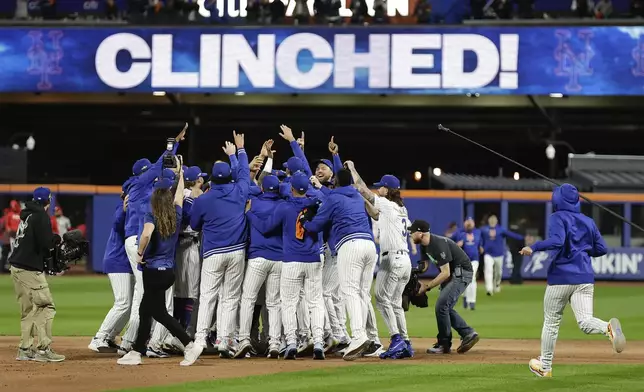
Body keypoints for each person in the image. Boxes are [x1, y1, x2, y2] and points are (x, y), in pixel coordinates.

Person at [519, 184, 626, 378]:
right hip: (585, 277)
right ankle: (607, 328)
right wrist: (583, 251)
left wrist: (534, 247)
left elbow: (558, 241)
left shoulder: (556, 217)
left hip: (561, 277)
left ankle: (546, 366)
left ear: (557, 200)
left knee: (551, 322)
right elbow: (601, 248)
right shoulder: (588, 221)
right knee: (585, 321)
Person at [117, 165, 203, 366]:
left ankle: (189, 344)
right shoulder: (176, 215)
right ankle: (137, 352)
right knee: (146, 310)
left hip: (153, 271)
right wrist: (181, 175)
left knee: (158, 312)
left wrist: (139, 254)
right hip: (168, 272)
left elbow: (146, 233)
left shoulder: (151, 214)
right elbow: (180, 197)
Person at [247, 172, 325, 360]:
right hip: (313, 259)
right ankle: (319, 342)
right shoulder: (317, 204)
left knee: (288, 303)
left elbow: (266, 228)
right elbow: (321, 201)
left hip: (291, 260)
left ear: (291, 189)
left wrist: (249, 214)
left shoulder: (284, 207)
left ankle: (290, 342)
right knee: (315, 302)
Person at [302, 169, 378, 361]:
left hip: (350, 245)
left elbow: (317, 225)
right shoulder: (357, 195)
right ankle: (368, 337)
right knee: (361, 293)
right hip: (369, 245)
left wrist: (305, 222)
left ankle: (359, 336)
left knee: (349, 292)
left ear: (335, 181)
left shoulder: (334, 198)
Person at [190, 132, 250, 357]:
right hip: (236, 252)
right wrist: (239, 152)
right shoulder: (239, 190)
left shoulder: (203, 199)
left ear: (211, 180)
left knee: (208, 296)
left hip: (213, 252)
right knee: (230, 297)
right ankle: (224, 340)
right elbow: (244, 173)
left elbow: (195, 225)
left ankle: (200, 339)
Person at [9, 187, 65, 362]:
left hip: (16, 267)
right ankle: (43, 349)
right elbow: (46, 244)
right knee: (45, 306)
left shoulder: (28, 214)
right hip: (29, 269)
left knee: (28, 310)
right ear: (48, 201)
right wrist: (55, 241)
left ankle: (25, 349)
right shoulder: (41, 216)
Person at [409, 220, 479, 355]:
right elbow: (424, 265)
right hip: (453, 274)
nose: (410, 235)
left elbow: (445, 272)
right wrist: (413, 272)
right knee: (444, 307)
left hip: (461, 273)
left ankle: (444, 344)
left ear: (420, 233)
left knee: (441, 306)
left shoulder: (438, 244)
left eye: (412, 232)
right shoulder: (424, 245)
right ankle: (468, 333)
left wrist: (427, 287)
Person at [236, 174, 284, 359]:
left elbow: (245, 185)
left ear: (262, 188)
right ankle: (274, 343)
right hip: (279, 258)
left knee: (248, 299)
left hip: (257, 258)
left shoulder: (253, 203)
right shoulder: (283, 203)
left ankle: (244, 339)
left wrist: (249, 213)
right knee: (273, 303)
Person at [89, 180, 134, 353]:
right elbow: (117, 223)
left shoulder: (134, 209)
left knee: (129, 306)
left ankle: (109, 337)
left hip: (125, 263)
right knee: (123, 302)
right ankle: (99, 338)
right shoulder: (121, 209)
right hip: (117, 261)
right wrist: (123, 210)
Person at [480, 214, 525, 296]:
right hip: (488, 254)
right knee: (488, 270)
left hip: (498, 254)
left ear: (496, 221)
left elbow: (511, 234)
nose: (492, 221)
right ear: (489, 221)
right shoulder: (484, 229)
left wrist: (522, 237)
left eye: (494, 220)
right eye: (491, 220)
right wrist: (480, 246)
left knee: (498, 273)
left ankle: (497, 284)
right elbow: (478, 237)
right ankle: (489, 289)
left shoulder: (501, 229)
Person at [451, 217, 483, 310]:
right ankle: (465, 296)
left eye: (471, 222)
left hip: (474, 259)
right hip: (462, 260)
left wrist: (481, 247)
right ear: (464, 223)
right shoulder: (459, 232)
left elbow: (480, 244)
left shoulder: (478, 232)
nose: (469, 224)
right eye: (467, 222)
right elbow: (449, 242)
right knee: (463, 280)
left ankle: (472, 302)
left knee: (472, 278)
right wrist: (457, 245)